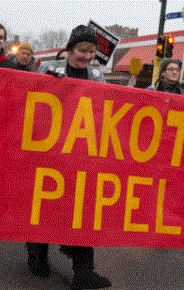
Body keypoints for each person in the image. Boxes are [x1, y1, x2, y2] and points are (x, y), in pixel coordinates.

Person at [26, 25, 110, 290]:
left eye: (92, 52)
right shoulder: (49, 69)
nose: (87, 57)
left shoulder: (97, 74)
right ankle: (36, 254)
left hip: (83, 153)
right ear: (70, 50)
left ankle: (84, 271)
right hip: (49, 152)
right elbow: (32, 102)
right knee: (44, 206)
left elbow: (108, 105)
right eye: (82, 50)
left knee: (84, 209)